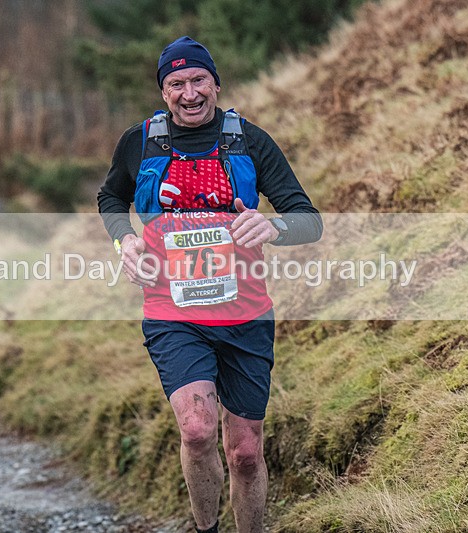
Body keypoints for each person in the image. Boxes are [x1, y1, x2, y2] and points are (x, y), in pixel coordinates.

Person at [97, 36, 322, 533]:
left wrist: (274, 226)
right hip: (172, 312)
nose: (189, 93)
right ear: (163, 92)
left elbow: (308, 219)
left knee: (244, 453)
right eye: (176, 83)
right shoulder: (140, 142)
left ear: (216, 84)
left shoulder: (249, 141)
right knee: (197, 430)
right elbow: (110, 199)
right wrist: (125, 243)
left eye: (199, 80)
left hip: (245, 316)